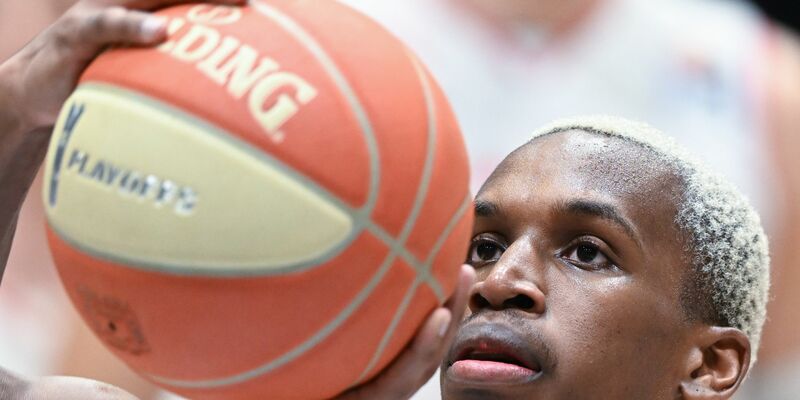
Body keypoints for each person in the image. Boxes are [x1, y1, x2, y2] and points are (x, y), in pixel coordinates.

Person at [0, 1, 771, 399]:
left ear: (709, 365)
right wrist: (13, 115)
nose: (499, 283)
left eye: (586, 252)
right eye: (481, 247)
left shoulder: (748, 78)